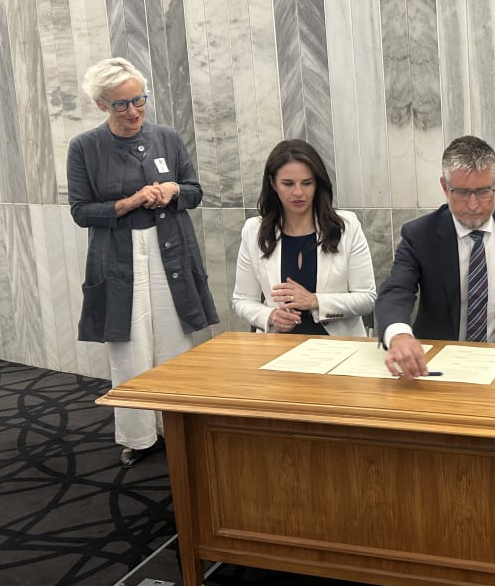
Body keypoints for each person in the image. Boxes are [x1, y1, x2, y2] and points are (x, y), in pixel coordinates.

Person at [67, 57, 219, 468]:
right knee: (130, 348)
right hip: (118, 256)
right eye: (121, 105)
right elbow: (81, 212)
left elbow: (195, 190)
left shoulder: (167, 136)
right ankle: (137, 436)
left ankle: (178, 427)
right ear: (102, 105)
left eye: (139, 100)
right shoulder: (84, 147)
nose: (133, 111)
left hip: (170, 249)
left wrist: (172, 190)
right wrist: (130, 202)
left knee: (175, 342)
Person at [376, 135, 495, 378]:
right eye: (462, 193)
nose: (474, 204)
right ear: (445, 187)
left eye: (483, 191)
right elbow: (396, 290)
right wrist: (399, 334)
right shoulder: (420, 235)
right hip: (445, 362)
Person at [232, 139, 376, 336]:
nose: (298, 192)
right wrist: (270, 316)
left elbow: (367, 298)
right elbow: (242, 300)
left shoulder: (346, 227)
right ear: (273, 183)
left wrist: (315, 301)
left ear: (317, 184)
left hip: (339, 348)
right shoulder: (254, 231)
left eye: (307, 183)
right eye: (288, 184)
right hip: (276, 348)